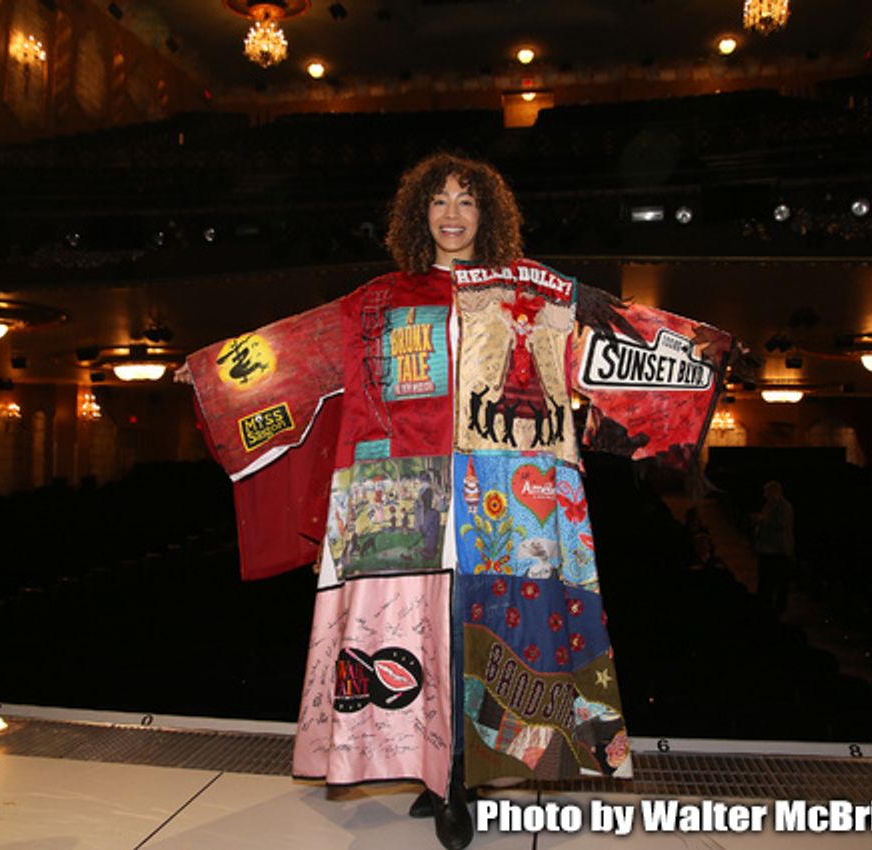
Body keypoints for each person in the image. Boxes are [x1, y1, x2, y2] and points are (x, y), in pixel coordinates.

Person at [182, 153, 731, 850]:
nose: (451, 213)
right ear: (418, 215)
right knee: (412, 641)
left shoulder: (532, 292)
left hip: (504, 499)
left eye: (466, 201)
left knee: (483, 637)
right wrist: (210, 377)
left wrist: (700, 359)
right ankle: (435, 771)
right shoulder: (378, 298)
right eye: (438, 201)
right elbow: (297, 350)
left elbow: (615, 345)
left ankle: (459, 777)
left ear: (488, 215)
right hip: (397, 499)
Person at [753, 480, 795, 613]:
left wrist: (762, 520)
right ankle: (764, 608)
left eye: (767, 493)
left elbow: (781, 524)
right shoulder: (769, 505)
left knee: (780, 585)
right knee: (765, 584)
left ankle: (778, 612)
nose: (765, 496)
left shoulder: (784, 506)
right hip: (767, 550)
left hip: (779, 552)